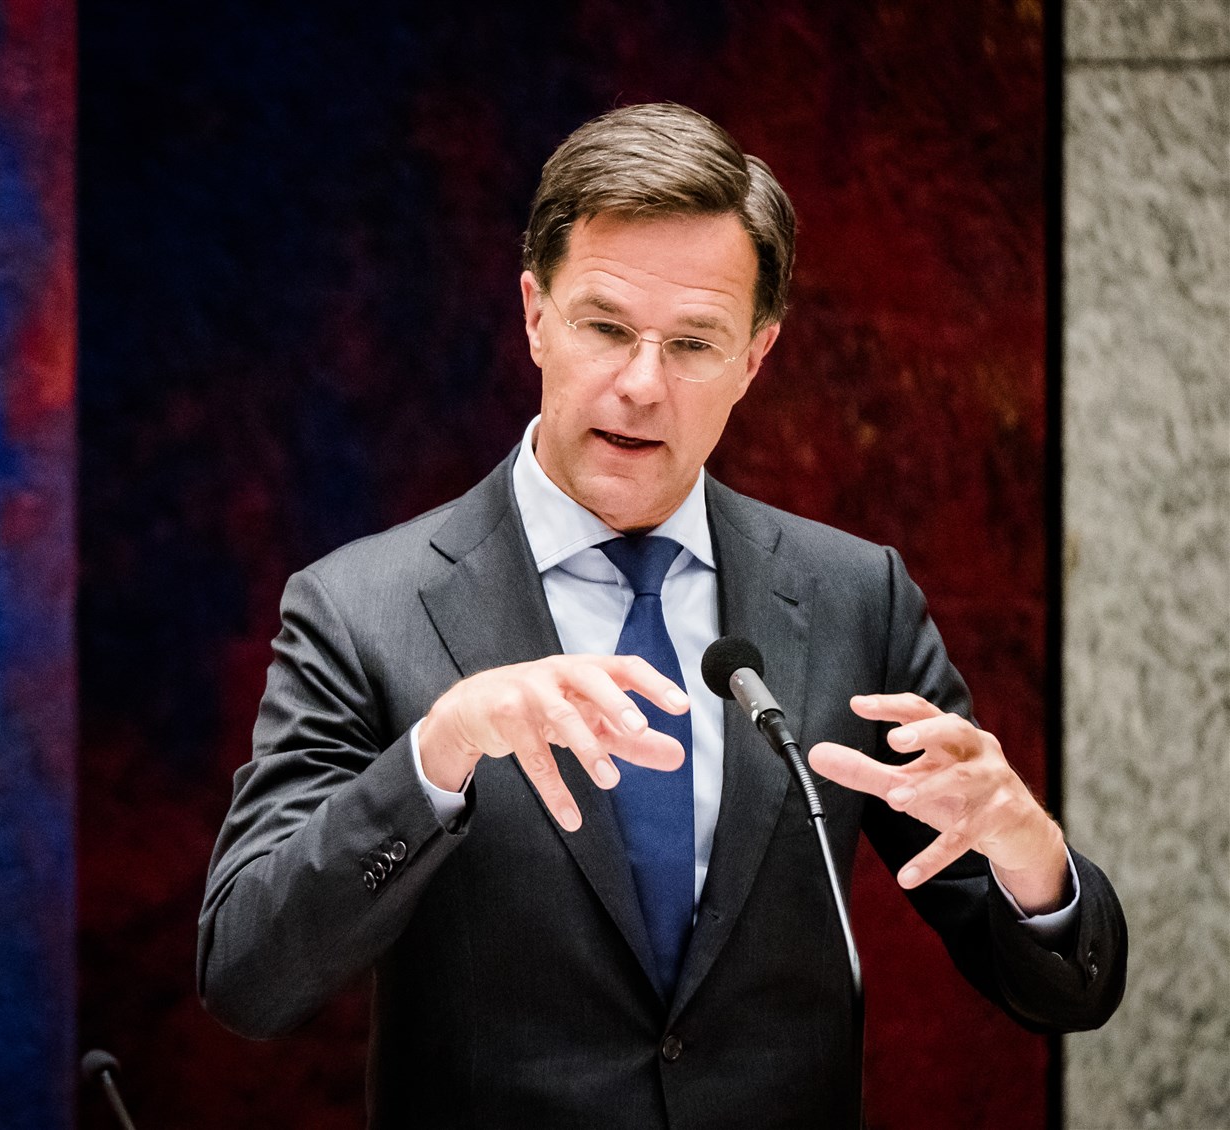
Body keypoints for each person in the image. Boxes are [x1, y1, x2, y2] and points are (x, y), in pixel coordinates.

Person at [197, 103, 1125, 1129]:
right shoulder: (362, 607)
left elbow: (1064, 992)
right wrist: (437, 752)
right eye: (604, 327)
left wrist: (1034, 860)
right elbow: (248, 973)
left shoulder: (852, 596)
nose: (641, 384)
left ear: (755, 357)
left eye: (692, 343)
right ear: (535, 315)